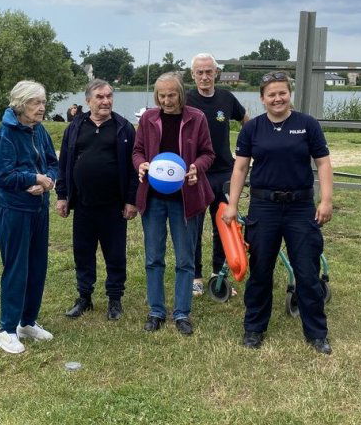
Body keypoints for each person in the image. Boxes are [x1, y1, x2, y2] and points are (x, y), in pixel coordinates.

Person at [222, 71, 334, 354]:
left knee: (307, 271)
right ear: (262, 99)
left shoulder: (307, 124)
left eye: (282, 92)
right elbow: (240, 167)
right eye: (271, 94)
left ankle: (317, 333)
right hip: (264, 206)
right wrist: (233, 205)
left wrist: (326, 200)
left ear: (289, 95)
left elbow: (323, 163)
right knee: (261, 270)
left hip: (300, 207)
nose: (277, 98)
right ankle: (254, 329)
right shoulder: (253, 129)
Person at [133, 72, 215, 335]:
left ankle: (182, 313)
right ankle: (156, 310)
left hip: (185, 199)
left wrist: (195, 168)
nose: (166, 101)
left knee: (185, 259)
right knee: (153, 257)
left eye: (171, 95)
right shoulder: (148, 118)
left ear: (181, 93)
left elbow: (208, 153)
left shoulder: (197, 118)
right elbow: (137, 151)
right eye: (161, 95)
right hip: (154, 199)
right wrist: (141, 164)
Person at [56, 79, 138, 320]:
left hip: (114, 205)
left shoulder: (123, 127)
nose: (106, 101)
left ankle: (114, 299)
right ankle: (84, 297)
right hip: (83, 204)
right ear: (88, 100)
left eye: (109, 96)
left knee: (115, 253)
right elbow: (64, 164)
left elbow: (134, 168)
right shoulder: (75, 127)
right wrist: (62, 195)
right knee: (83, 252)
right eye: (100, 97)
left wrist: (131, 200)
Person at [0, 80, 59, 354]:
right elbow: (4, 175)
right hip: (15, 211)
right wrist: (33, 178)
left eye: (43, 102)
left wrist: (48, 181)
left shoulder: (39, 130)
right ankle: (6, 329)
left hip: (39, 208)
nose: (41, 108)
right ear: (20, 105)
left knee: (37, 265)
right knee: (17, 267)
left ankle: (27, 321)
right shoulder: (5, 133)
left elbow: (52, 163)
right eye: (35, 103)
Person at [186, 53, 249, 296]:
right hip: (196, 173)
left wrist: (252, 144)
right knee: (195, 225)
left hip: (224, 172)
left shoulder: (226, 98)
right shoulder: (186, 99)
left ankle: (218, 273)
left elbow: (246, 121)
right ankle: (195, 276)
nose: (204, 76)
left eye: (208, 71)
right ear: (193, 75)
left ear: (216, 73)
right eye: (199, 72)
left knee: (223, 224)